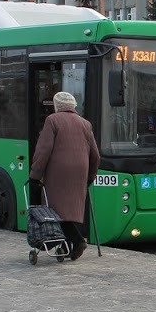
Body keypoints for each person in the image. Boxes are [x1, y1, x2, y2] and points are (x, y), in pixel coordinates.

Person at [29, 92, 100, 260]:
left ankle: (76, 241)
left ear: (56, 105)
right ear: (73, 105)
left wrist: (35, 174)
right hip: (80, 171)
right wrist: (91, 176)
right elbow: (95, 155)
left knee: (54, 210)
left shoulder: (52, 120)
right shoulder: (85, 124)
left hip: (58, 171)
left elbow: (43, 151)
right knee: (71, 208)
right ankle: (69, 245)